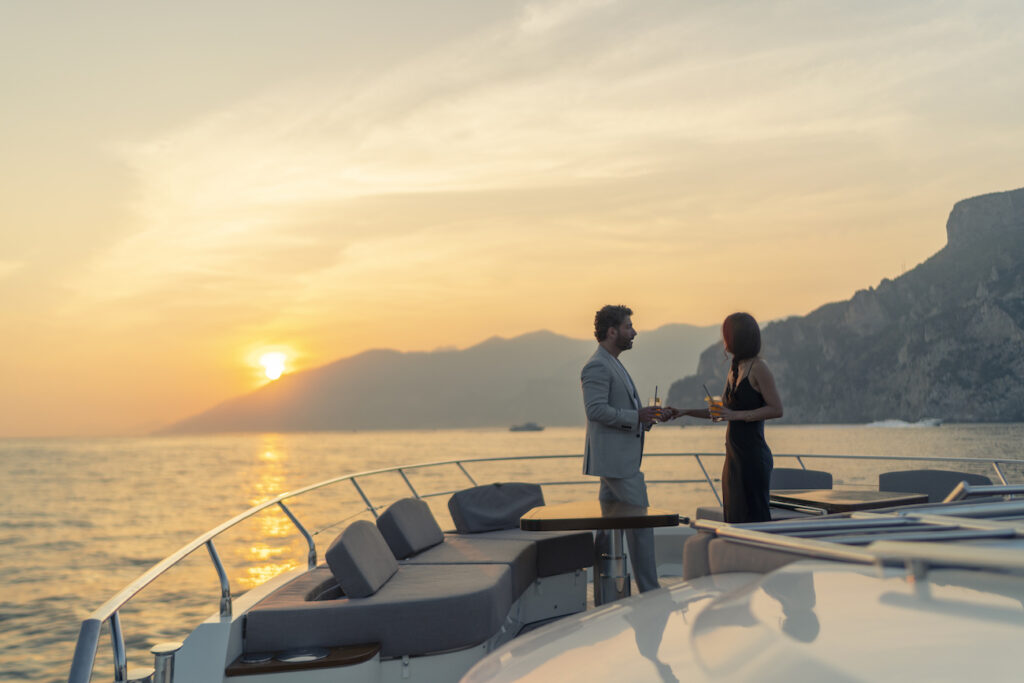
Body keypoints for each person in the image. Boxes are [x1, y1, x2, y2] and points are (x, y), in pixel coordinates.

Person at [664, 312, 783, 523]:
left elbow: (776, 409)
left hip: (753, 458)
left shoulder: (759, 367)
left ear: (738, 337)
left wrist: (736, 415)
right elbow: (721, 412)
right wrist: (684, 411)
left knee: (754, 519)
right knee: (734, 518)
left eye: (726, 334)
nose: (723, 340)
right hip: (733, 459)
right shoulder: (734, 369)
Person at [581, 305, 662, 592]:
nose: (634, 332)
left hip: (614, 461)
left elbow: (616, 410)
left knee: (606, 531)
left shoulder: (613, 362)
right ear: (612, 331)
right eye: (629, 326)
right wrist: (634, 417)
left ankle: (602, 589)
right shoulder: (597, 366)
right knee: (641, 524)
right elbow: (595, 410)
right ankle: (651, 591)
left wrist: (642, 420)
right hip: (618, 465)